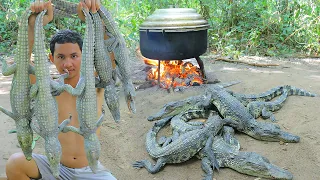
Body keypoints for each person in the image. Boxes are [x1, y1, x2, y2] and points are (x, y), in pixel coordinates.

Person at [5, 0, 117, 179]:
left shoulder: (95, 82)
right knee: (15, 163)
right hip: (55, 167)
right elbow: (23, 61)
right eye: (61, 57)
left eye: (74, 56)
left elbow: (111, 53)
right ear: (51, 58)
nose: (67, 64)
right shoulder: (46, 86)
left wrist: (95, 13)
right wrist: (33, 25)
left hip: (90, 171)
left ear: (84, 55)